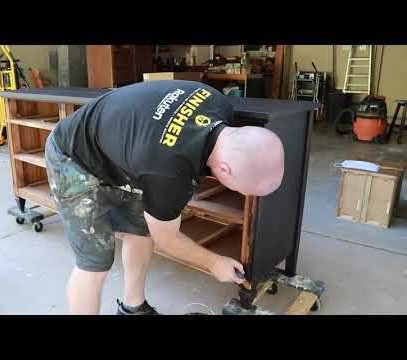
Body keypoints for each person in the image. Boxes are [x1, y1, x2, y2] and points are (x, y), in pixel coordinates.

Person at [45, 80, 285, 315]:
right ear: (224, 169)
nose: (242, 195)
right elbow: (167, 238)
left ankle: (133, 306)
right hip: (74, 155)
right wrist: (214, 263)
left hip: (128, 153)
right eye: (243, 190)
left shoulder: (218, 102)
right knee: (95, 263)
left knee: (141, 230)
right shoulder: (168, 171)